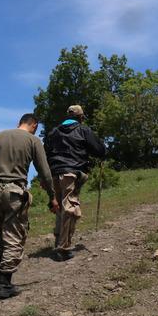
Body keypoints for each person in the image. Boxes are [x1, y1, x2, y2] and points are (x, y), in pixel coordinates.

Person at [0, 114, 57, 299]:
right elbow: (44, 171)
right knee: (14, 236)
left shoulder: (1, 135)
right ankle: (4, 283)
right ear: (34, 125)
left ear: (19, 122)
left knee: (0, 232)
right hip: (14, 192)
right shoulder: (33, 140)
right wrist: (52, 196)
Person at [43, 105, 106, 261]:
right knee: (70, 208)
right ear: (80, 117)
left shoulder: (53, 132)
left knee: (61, 208)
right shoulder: (83, 130)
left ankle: (59, 240)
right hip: (72, 172)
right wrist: (102, 149)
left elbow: (45, 153)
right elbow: (99, 150)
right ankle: (63, 248)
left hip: (54, 174)